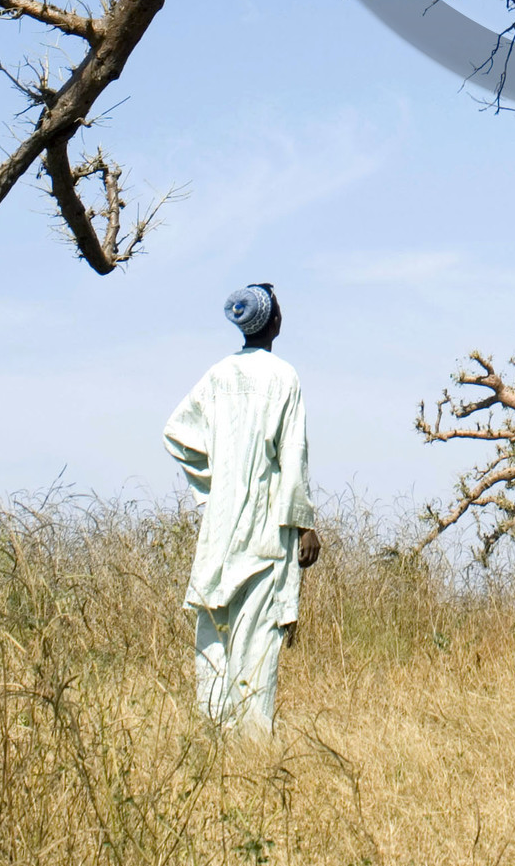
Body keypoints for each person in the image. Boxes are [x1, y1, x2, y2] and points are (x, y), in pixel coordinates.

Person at [163, 282, 320, 732]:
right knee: (258, 638)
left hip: (221, 525)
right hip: (266, 527)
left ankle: (212, 734)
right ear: (274, 322)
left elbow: (177, 433)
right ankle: (251, 743)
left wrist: (217, 484)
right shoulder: (283, 377)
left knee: (215, 631)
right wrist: (304, 524)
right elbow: (293, 454)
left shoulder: (217, 376)